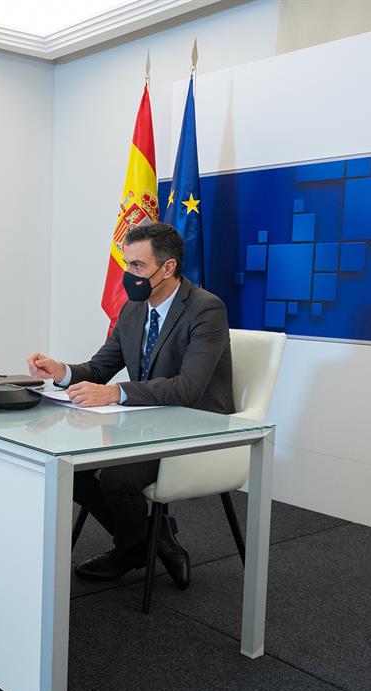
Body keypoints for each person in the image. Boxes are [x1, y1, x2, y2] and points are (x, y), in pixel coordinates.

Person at [27, 222, 234, 584]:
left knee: (116, 479)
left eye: (137, 266)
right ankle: (154, 538)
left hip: (196, 426)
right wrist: (60, 371)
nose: (128, 274)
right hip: (147, 423)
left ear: (167, 268)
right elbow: (99, 368)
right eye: (127, 264)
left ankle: (130, 550)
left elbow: (189, 387)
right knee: (72, 471)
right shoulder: (133, 311)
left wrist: (117, 393)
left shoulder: (206, 309)